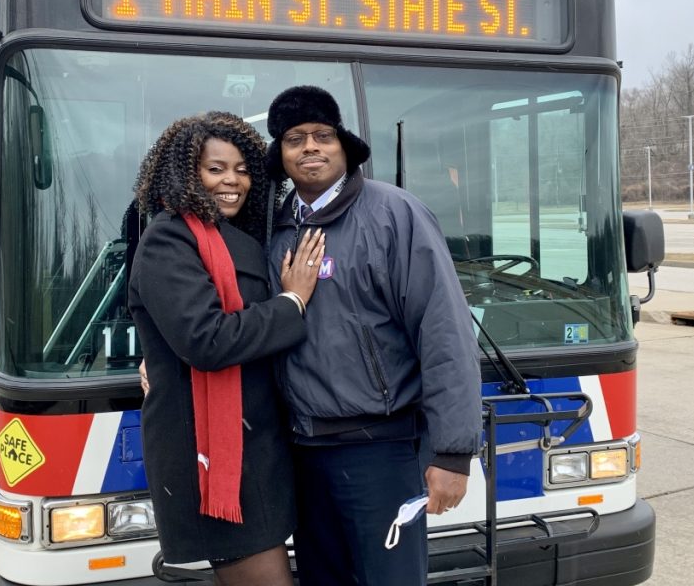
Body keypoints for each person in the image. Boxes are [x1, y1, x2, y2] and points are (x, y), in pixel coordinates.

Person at [264, 86, 483, 586]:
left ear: (344, 146)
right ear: (281, 155)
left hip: (379, 454)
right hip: (301, 452)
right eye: (295, 139)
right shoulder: (274, 229)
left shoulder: (395, 215)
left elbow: (445, 334)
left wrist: (452, 453)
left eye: (323, 135)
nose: (310, 147)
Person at [128, 112, 325, 586]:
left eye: (242, 169)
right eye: (215, 169)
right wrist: (293, 301)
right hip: (220, 454)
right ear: (185, 173)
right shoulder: (169, 238)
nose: (232, 180)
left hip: (259, 444)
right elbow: (206, 339)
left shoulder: (235, 238)